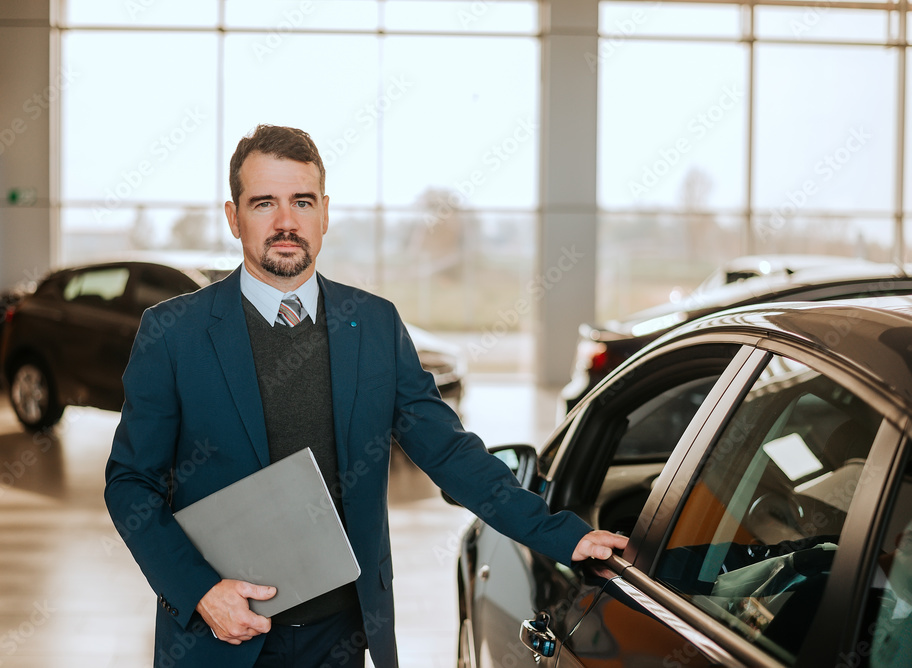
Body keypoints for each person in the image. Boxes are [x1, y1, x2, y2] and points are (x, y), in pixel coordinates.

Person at [104, 124, 627, 667]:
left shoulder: (374, 324)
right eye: (264, 204)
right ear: (234, 217)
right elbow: (129, 484)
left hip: (342, 637)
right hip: (220, 638)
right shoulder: (174, 334)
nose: (286, 222)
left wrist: (560, 535)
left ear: (324, 213)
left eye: (302, 202)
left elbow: (447, 451)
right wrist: (201, 592)